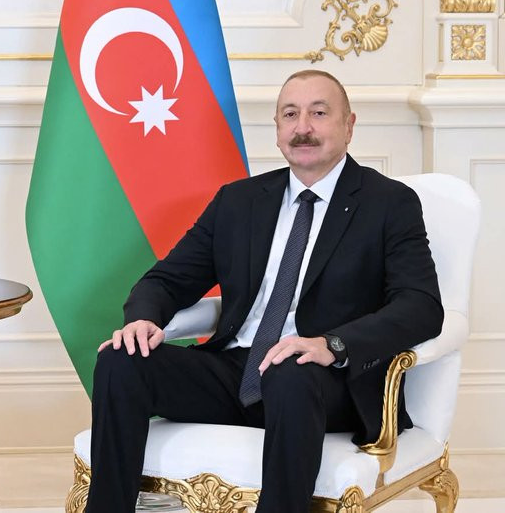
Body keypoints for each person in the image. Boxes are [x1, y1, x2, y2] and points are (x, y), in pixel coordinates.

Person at [85, 70, 443, 513]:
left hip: (323, 379)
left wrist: (332, 345)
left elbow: (421, 306)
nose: (302, 127)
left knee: (289, 372)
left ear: (349, 125)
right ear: (277, 129)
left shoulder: (389, 202)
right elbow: (166, 280)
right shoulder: (239, 201)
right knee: (120, 360)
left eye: (319, 113)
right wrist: (143, 319)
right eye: (290, 115)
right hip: (236, 370)